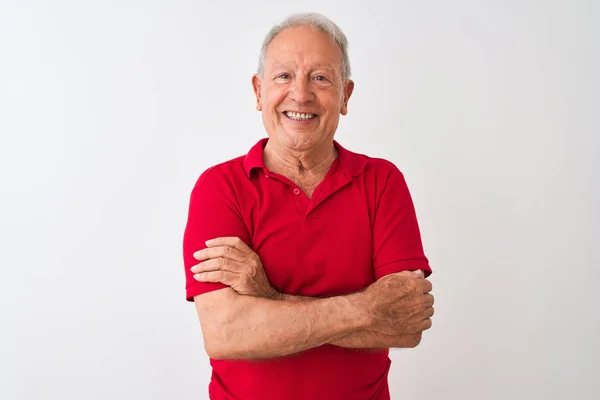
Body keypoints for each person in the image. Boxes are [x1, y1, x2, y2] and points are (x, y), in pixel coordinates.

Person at [183, 12, 434, 400]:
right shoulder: (220, 188)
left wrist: (268, 299)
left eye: (320, 77)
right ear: (258, 91)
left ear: (345, 96)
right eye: (283, 76)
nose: (300, 94)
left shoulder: (382, 182)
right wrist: (369, 308)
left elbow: (405, 325)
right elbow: (226, 333)